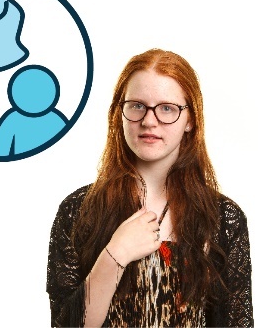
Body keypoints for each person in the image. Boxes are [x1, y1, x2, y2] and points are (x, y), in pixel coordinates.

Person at [46, 48, 254, 327]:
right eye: (137, 105)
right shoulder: (78, 211)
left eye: (167, 108)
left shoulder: (223, 218)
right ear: (119, 113)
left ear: (190, 119)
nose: (149, 120)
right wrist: (114, 255)